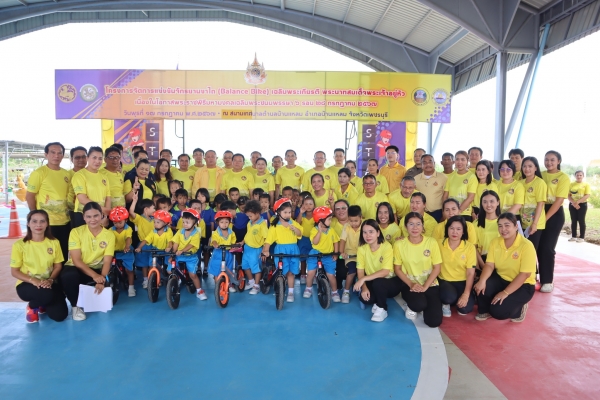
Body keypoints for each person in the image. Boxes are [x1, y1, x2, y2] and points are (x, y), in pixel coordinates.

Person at [474, 213, 535, 323]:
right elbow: (489, 265)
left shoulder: (526, 245)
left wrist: (505, 292)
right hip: (501, 278)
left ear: (516, 226)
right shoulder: (495, 242)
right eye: (500, 226)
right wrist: (482, 281)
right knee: (481, 285)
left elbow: (525, 274)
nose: (503, 229)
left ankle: (519, 308)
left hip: (523, 285)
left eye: (507, 225)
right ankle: (485, 310)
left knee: (498, 312)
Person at [60, 202, 115, 321]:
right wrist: (95, 276)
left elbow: (107, 261)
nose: (92, 220)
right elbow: (76, 260)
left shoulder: (109, 235)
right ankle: (75, 307)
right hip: (78, 268)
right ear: (83, 217)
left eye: (96, 215)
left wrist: (102, 279)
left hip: (97, 269)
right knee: (68, 275)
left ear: (102, 215)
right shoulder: (75, 232)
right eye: (88, 216)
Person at [10, 210, 68, 323]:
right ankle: (32, 307)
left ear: (47, 224)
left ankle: (43, 302)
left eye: (42, 221)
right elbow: (14, 271)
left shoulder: (54, 242)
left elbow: (58, 266)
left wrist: (50, 280)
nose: (38, 225)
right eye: (34, 221)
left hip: (49, 283)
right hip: (28, 283)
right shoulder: (19, 245)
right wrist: (34, 281)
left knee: (60, 316)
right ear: (28, 224)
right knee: (46, 294)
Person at [394, 212, 442, 327]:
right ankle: (412, 305)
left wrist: (425, 286)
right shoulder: (399, 244)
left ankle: (426, 302)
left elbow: (437, 267)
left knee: (434, 322)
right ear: (405, 226)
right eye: (411, 224)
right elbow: (397, 269)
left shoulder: (431, 242)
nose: (415, 228)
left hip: (430, 284)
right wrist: (411, 284)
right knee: (418, 305)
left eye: (418, 224)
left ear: (423, 226)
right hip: (409, 285)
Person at [26, 142, 72, 260]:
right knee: (46, 256)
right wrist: (35, 217)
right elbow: (30, 195)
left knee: (62, 255)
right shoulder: (39, 173)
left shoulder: (66, 174)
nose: (56, 155)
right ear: (46, 154)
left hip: (65, 222)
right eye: (53, 152)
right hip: (47, 224)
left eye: (59, 153)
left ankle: (60, 273)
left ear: (63, 155)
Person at [353, 219, 401, 322]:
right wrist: (364, 287)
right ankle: (377, 299)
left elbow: (385, 271)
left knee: (379, 283)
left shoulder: (386, 246)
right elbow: (360, 271)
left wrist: (363, 279)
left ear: (378, 233)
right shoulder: (362, 249)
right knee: (366, 299)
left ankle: (382, 308)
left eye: (371, 232)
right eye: (365, 232)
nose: (368, 235)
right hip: (372, 281)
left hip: (389, 282)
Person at [538, 151, 569, 293]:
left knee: (547, 248)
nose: (549, 162)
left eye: (552, 160)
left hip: (554, 214)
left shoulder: (563, 177)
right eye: (546, 160)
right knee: (535, 246)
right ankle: (532, 278)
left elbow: (559, 201)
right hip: (538, 210)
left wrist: (544, 218)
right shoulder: (541, 174)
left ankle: (547, 281)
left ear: (559, 161)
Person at [262, 198, 303, 303]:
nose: (288, 215)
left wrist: (295, 229)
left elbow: (300, 234)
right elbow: (268, 240)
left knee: (291, 273)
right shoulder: (274, 226)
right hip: (280, 251)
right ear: (278, 213)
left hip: (293, 250)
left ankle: (290, 292)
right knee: (282, 272)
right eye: (285, 212)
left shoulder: (293, 223)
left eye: (289, 212)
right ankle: (280, 289)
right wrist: (265, 250)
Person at [438, 216, 477, 317]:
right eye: (451, 228)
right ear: (447, 229)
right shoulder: (438, 244)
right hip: (444, 280)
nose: (454, 232)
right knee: (448, 298)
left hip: (462, 281)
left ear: (463, 231)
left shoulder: (469, 247)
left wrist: (466, 294)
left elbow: (470, 273)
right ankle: (446, 303)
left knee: (465, 309)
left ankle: (459, 298)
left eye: (458, 229)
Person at [167, 208, 207, 299]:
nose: (185, 224)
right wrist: (172, 255)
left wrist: (182, 250)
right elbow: (176, 243)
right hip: (178, 256)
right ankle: (177, 280)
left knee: (193, 275)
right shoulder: (180, 232)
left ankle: (199, 291)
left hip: (191, 257)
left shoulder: (196, 233)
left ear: (195, 222)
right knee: (170, 270)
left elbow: (191, 245)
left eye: (187, 222)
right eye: (183, 222)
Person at [304, 207, 340, 302]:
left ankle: (334, 292)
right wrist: (319, 232)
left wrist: (336, 254)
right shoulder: (314, 230)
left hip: (328, 255)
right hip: (315, 254)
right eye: (329, 219)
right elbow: (315, 242)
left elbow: (336, 241)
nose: (330, 221)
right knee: (311, 273)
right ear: (320, 221)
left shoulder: (331, 230)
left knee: (331, 275)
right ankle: (308, 288)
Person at [71, 147, 111, 228]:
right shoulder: (79, 175)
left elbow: (108, 198)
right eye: (94, 158)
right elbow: (82, 199)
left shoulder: (104, 177)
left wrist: (106, 215)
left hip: (100, 216)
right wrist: (102, 210)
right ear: (87, 158)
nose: (97, 161)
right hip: (83, 215)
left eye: (100, 158)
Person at [521, 156, 547, 262]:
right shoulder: (520, 183)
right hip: (523, 223)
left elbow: (540, 204)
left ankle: (532, 272)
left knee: (531, 253)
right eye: (524, 166)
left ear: (536, 168)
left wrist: (535, 223)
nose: (527, 169)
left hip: (535, 225)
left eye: (530, 166)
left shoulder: (540, 183)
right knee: (522, 253)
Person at [128, 192, 156, 288]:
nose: (155, 210)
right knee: (144, 264)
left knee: (152, 263)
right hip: (143, 245)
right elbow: (131, 212)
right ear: (146, 209)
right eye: (153, 208)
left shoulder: (155, 219)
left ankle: (153, 279)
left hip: (154, 244)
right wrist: (134, 201)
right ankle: (145, 280)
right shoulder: (139, 218)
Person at [241, 200, 269, 294]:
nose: (249, 218)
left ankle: (256, 286)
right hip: (247, 248)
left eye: (250, 216)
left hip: (256, 250)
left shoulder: (262, 224)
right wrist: (242, 242)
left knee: (256, 268)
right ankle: (251, 281)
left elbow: (266, 239)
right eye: (248, 216)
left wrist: (264, 250)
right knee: (245, 266)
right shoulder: (250, 223)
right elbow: (248, 235)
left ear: (257, 213)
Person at [108, 206, 136, 297]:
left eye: (120, 222)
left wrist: (127, 246)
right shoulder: (110, 230)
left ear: (126, 220)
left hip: (126, 252)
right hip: (114, 252)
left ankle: (131, 288)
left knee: (129, 270)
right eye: (115, 223)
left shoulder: (128, 229)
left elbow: (128, 238)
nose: (117, 225)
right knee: (108, 268)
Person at [443, 150, 477, 221]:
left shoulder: (471, 177)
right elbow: (445, 196)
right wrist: (445, 212)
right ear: (454, 161)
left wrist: (458, 212)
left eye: (462, 159)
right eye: (457, 159)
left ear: (467, 161)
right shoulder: (451, 176)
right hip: (450, 214)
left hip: (464, 214)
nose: (459, 162)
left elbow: (470, 198)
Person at [338, 205, 362, 304]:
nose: (353, 223)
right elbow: (342, 240)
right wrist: (341, 252)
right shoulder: (346, 226)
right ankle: (346, 291)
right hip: (350, 255)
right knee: (352, 271)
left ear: (361, 218)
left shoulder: (365, 225)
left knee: (364, 272)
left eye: (356, 221)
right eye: (351, 221)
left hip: (363, 254)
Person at [414, 154, 448, 222]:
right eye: (424, 162)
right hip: (421, 214)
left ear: (434, 163)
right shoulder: (415, 179)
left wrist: (444, 213)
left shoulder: (443, 178)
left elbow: (446, 196)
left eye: (430, 162)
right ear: (421, 165)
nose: (428, 164)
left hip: (438, 213)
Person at [475, 191, 500, 272]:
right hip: (483, 260)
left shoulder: (504, 222)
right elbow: (473, 248)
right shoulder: (475, 224)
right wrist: (483, 266)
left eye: (492, 201)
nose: (488, 205)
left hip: (502, 260)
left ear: (498, 202)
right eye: (485, 202)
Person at [296, 195, 316, 284]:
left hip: (313, 240)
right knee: (302, 257)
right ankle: (303, 274)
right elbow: (297, 223)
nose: (308, 206)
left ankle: (313, 275)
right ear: (302, 205)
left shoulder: (316, 216)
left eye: (310, 204)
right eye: (306, 204)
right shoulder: (302, 215)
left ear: (314, 205)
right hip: (303, 240)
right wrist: (300, 213)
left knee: (313, 258)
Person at [568, 170, 591, 243]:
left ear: (583, 176)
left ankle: (581, 237)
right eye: (577, 175)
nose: (579, 176)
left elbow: (587, 195)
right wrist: (574, 203)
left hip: (582, 204)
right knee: (573, 220)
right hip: (572, 204)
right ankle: (573, 236)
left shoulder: (586, 184)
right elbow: (568, 195)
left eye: (580, 175)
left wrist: (577, 202)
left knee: (581, 220)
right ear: (575, 176)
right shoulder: (571, 184)